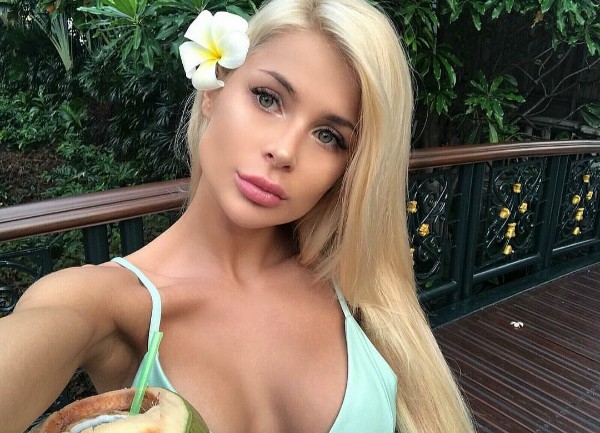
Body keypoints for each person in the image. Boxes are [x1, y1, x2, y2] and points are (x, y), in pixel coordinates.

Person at [0, 0, 475, 432]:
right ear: (214, 89)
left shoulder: (357, 286)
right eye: (268, 98)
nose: (284, 151)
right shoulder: (103, 304)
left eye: (328, 136)